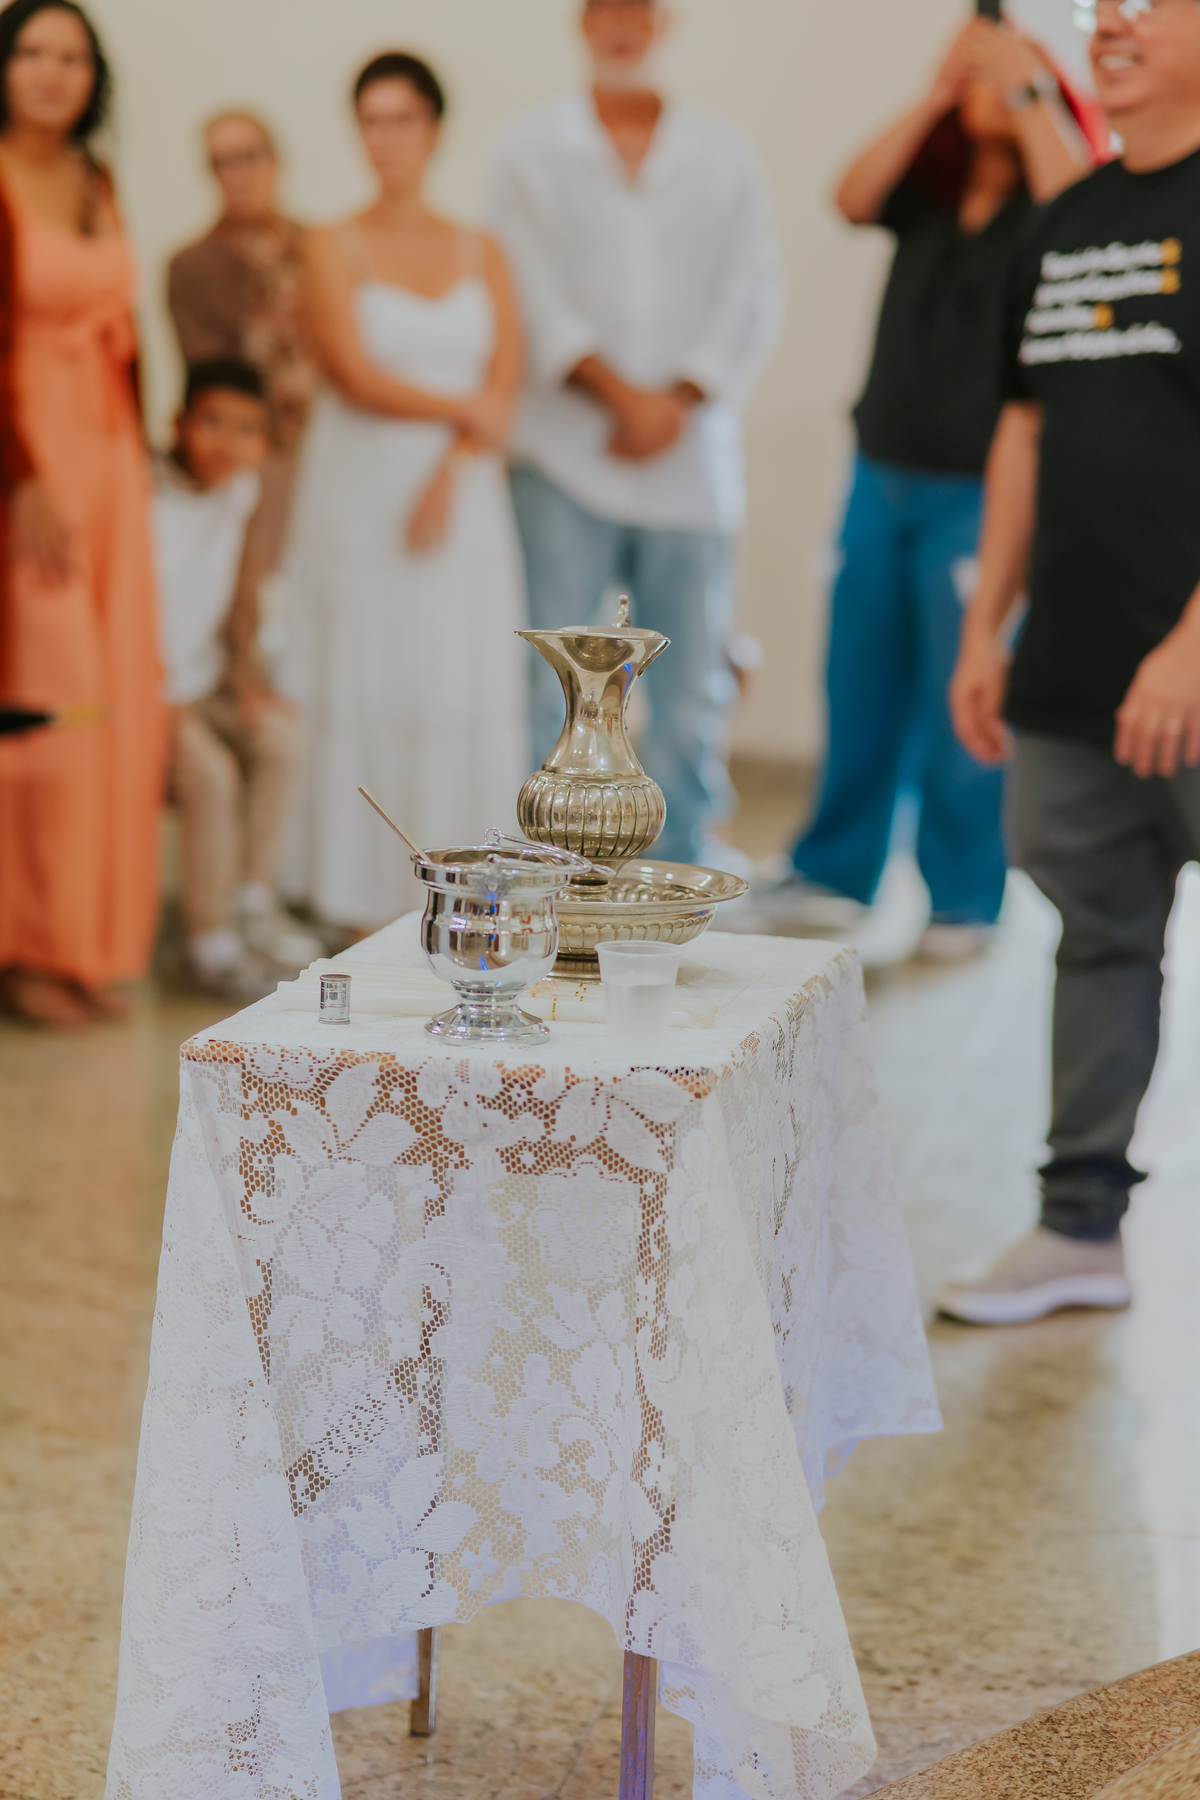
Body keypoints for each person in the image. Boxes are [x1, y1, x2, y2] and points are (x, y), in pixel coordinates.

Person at [939, 0, 1200, 1323]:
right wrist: (989, 626)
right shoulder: (1069, 220)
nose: (1112, 19)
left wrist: (1194, 643)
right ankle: (1079, 1228)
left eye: (1150, 3)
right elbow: (1025, 437)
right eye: (1103, 3)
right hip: (1075, 674)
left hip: (1189, 662)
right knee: (1096, 941)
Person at [779, 15, 1097, 960]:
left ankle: (965, 897)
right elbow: (848, 193)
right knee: (856, 675)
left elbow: (1087, 222)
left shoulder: (1053, 206)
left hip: (979, 491)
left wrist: (1029, 87)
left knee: (968, 695)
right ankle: (837, 873)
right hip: (882, 469)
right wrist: (936, 92)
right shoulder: (926, 194)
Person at [487, 0, 780, 869]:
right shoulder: (530, 149)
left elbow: (751, 291)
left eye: (640, 10)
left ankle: (690, 846)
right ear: (581, 22)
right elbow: (526, 289)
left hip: (690, 458)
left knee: (693, 681)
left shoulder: (724, 155)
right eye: (605, 9)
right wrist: (618, 396)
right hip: (564, 455)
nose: (622, 25)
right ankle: (549, 853)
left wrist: (677, 399)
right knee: (557, 676)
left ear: (669, 23)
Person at [281, 52, 526, 929]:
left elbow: (507, 381)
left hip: (463, 499)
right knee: (367, 666)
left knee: (452, 669)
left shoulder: (481, 248)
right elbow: (352, 372)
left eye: (403, 120)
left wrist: (455, 462)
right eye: (371, 121)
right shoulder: (329, 242)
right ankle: (353, 889)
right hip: (360, 485)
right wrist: (467, 414)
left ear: (434, 130)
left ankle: (463, 881)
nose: (386, 139)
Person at [0, 0, 163, 1027]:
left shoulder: (98, 182)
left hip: (108, 461)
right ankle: (26, 944)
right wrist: (26, 472)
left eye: (72, 55)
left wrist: (137, 454)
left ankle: (92, 944)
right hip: (30, 462)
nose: (53, 72)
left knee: (115, 707)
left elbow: (125, 328)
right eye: (33, 52)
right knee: (48, 704)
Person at [155, 358, 318, 999]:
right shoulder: (144, 497)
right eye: (212, 423)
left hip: (202, 686)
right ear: (178, 422)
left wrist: (244, 676)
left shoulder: (240, 492)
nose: (228, 443)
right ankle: (209, 943)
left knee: (280, 737)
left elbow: (235, 596)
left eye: (247, 430)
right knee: (211, 776)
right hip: (148, 696)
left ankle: (254, 903)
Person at [167, 110, 316, 693]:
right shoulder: (191, 266)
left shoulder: (317, 247)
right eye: (221, 161)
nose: (237, 173)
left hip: (329, 448)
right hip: (256, 455)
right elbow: (211, 375)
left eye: (248, 156)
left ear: (275, 161)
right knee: (258, 592)